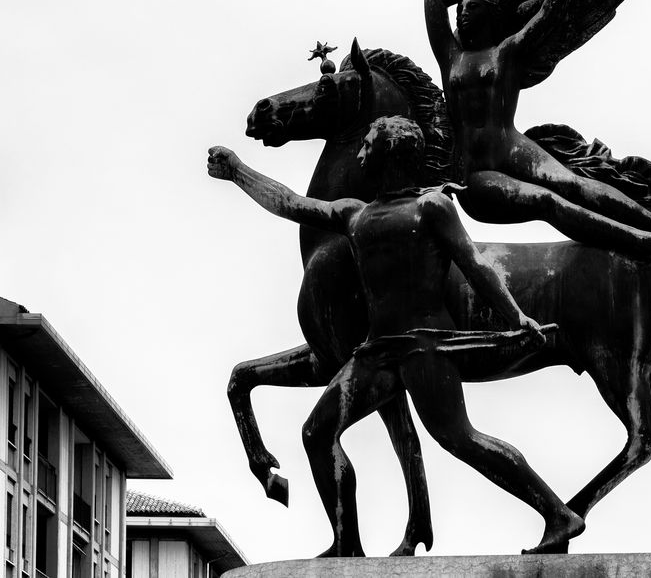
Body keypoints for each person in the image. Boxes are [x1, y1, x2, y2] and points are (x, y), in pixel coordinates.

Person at [207, 115, 584, 555]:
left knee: (460, 438)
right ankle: (347, 544)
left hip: (425, 346)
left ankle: (558, 514)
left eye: (368, 143)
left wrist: (517, 317)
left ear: (389, 152)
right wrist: (237, 171)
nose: (361, 152)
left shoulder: (431, 209)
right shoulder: (355, 214)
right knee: (316, 433)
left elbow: (475, 265)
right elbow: (290, 203)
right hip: (377, 353)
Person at [424, 0, 651, 260]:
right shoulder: (450, 55)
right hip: (473, 171)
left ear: (490, 13)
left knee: (573, 183)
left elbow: (546, 18)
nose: (463, 13)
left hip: (510, 146)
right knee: (547, 200)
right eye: (462, 8)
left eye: (474, 6)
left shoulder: (506, 52)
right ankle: (642, 239)